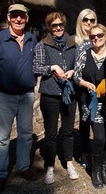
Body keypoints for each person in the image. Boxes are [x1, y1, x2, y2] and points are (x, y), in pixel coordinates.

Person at [0, 3, 38, 194]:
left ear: (27, 18)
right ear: (9, 17)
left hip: (27, 96)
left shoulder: (32, 39)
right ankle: (0, 174)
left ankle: (22, 167)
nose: (18, 19)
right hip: (4, 96)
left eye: (22, 16)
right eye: (15, 16)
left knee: (25, 134)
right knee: (2, 138)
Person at [33, 11, 79, 184]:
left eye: (61, 25)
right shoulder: (42, 45)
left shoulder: (73, 44)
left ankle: (68, 162)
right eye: (54, 25)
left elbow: (79, 65)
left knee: (68, 132)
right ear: (49, 27)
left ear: (64, 25)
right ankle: (50, 165)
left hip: (69, 94)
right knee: (51, 133)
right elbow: (36, 67)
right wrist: (52, 67)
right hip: (50, 94)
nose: (58, 28)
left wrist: (73, 71)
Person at [73, 24, 106, 189]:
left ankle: (105, 170)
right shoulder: (85, 54)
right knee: (99, 137)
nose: (96, 38)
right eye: (93, 36)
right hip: (92, 102)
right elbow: (76, 75)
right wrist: (85, 83)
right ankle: (96, 170)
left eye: (99, 35)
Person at [74, 8, 98, 168]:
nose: (88, 23)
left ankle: (99, 155)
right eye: (85, 20)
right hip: (80, 87)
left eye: (92, 20)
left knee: (99, 121)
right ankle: (84, 154)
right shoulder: (73, 41)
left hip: (98, 88)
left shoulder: (98, 39)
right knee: (84, 121)